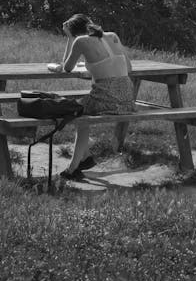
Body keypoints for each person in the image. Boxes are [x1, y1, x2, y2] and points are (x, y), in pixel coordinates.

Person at [48, 13, 135, 180]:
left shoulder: (80, 41)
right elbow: (129, 68)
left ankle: (75, 165)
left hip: (107, 98)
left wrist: (69, 38)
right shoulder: (112, 36)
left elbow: (66, 67)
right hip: (127, 98)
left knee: (75, 111)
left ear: (74, 33)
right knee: (81, 113)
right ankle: (82, 159)